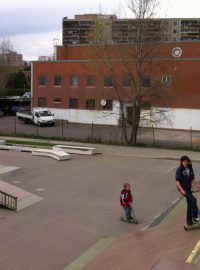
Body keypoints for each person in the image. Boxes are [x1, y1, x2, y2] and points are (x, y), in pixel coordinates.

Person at [175, 155, 199, 226]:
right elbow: (177, 181)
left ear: (188, 162)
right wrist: (182, 190)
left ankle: (192, 219)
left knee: (190, 203)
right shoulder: (179, 170)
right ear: (181, 162)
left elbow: (193, 178)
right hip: (182, 188)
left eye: (186, 161)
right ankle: (192, 218)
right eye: (183, 162)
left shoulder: (190, 169)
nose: (185, 163)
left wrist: (195, 187)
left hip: (188, 188)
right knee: (193, 200)